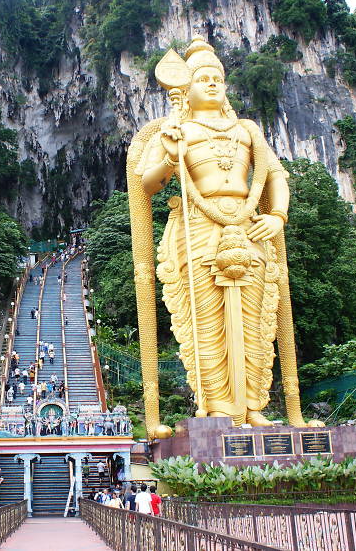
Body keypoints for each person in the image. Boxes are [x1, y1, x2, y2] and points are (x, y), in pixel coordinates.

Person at [130, 34, 320, 430]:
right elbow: (146, 184)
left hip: (250, 226)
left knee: (256, 320)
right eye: (203, 78)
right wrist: (168, 154)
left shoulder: (247, 129)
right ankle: (218, 405)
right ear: (187, 88)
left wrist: (278, 216)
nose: (213, 83)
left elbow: (274, 177)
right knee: (207, 322)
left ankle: (252, 405)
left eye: (218, 77)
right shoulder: (174, 130)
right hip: (198, 228)